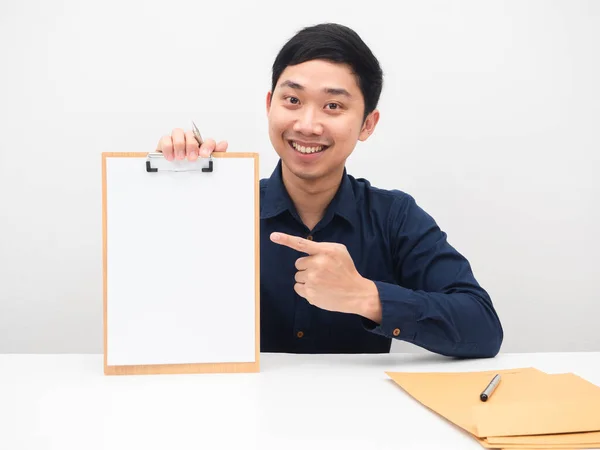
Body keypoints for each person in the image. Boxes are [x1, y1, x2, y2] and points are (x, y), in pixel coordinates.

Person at [156, 23, 503, 358]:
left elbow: (482, 327)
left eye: (333, 106)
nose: (307, 125)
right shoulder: (225, 205)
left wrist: (364, 296)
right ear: (268, 105)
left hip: (359, 413)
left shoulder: (394, 217)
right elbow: (157, 310)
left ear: (367, 124)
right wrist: (176, 190)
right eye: (292, 99)